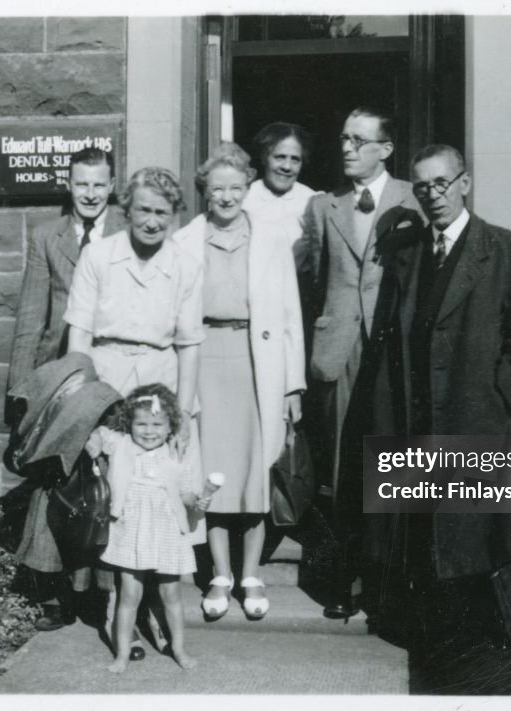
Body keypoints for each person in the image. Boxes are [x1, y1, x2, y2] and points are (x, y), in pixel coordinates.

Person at [382, 143, 511, 645]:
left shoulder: (504, 249)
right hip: (418, 421)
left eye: (442, 183)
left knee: (471, 541)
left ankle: (472, 653)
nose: (433, 195)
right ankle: (430, 636)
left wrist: (494, 401)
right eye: (422, 187)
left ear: (464, 183)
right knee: (425, 535)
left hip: (472, 417)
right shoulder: (409, 253)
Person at [63, 166, 205, 654]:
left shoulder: (185, 264)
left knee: (161, 495)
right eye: (143, 209)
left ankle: (157, 611)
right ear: (127, 209)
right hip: (105, 375)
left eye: (162, 213)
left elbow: (189, 345)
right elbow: (78, 334)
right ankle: (114, 604)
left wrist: (182, 416)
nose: (151, 221)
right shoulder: (99, 256)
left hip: (160, 381)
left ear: (174, 215)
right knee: (111, 492)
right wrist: (82, 400)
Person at [172, 142, 306, 620]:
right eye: (216, 189)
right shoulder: (185, 240)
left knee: (256, 469)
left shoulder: (272, 237)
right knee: (211, 469)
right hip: (206, 359)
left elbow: (290, 316)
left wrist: (292, 385)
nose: (226, 197)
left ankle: (252, 573)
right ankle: (219, 575)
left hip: (258, 361)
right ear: (204, 192)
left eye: (234, 187)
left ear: (247, 187)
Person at [299, 107, 423, 619]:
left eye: (358, 140)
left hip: (393, 348)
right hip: (340, 349)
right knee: (340, 467)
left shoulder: (417, 199)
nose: (346, 148)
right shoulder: (323, 206)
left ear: (385, 149)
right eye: (343, 138)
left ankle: (385, 582)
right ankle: (341, 581)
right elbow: (309, 276)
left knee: (390, 460)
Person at [7, 146, 126, 634]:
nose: (91, 194)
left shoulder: (126, 232)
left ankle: (102, 594)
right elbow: (31, 317)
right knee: (55, 482)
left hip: (113, 373)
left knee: (107, 483)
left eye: (99, 184)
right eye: (82, 184)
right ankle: (52, 590)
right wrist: (20, 392)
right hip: (62, 378)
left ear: (112, 186)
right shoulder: (46, 237)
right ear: (69, 185)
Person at [86, 384, 205, 673]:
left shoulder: (176, 453)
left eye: (157, 424)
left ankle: (178, 648)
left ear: (170, 427)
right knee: (129, 595)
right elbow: (100, 434)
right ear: (129, 423)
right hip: (131, 531)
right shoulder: (122, 443)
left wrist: (199, 500)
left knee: (171, 595)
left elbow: (187, 494)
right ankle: (122, 655)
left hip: (166, 531)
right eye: (141, 423)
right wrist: (95, 442)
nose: (149, 431)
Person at [242, 122, 317, 258]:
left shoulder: (313, 201)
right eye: (280, 157)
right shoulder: (245, 197)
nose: (287, 167)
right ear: (265, 157)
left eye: (295, 159)